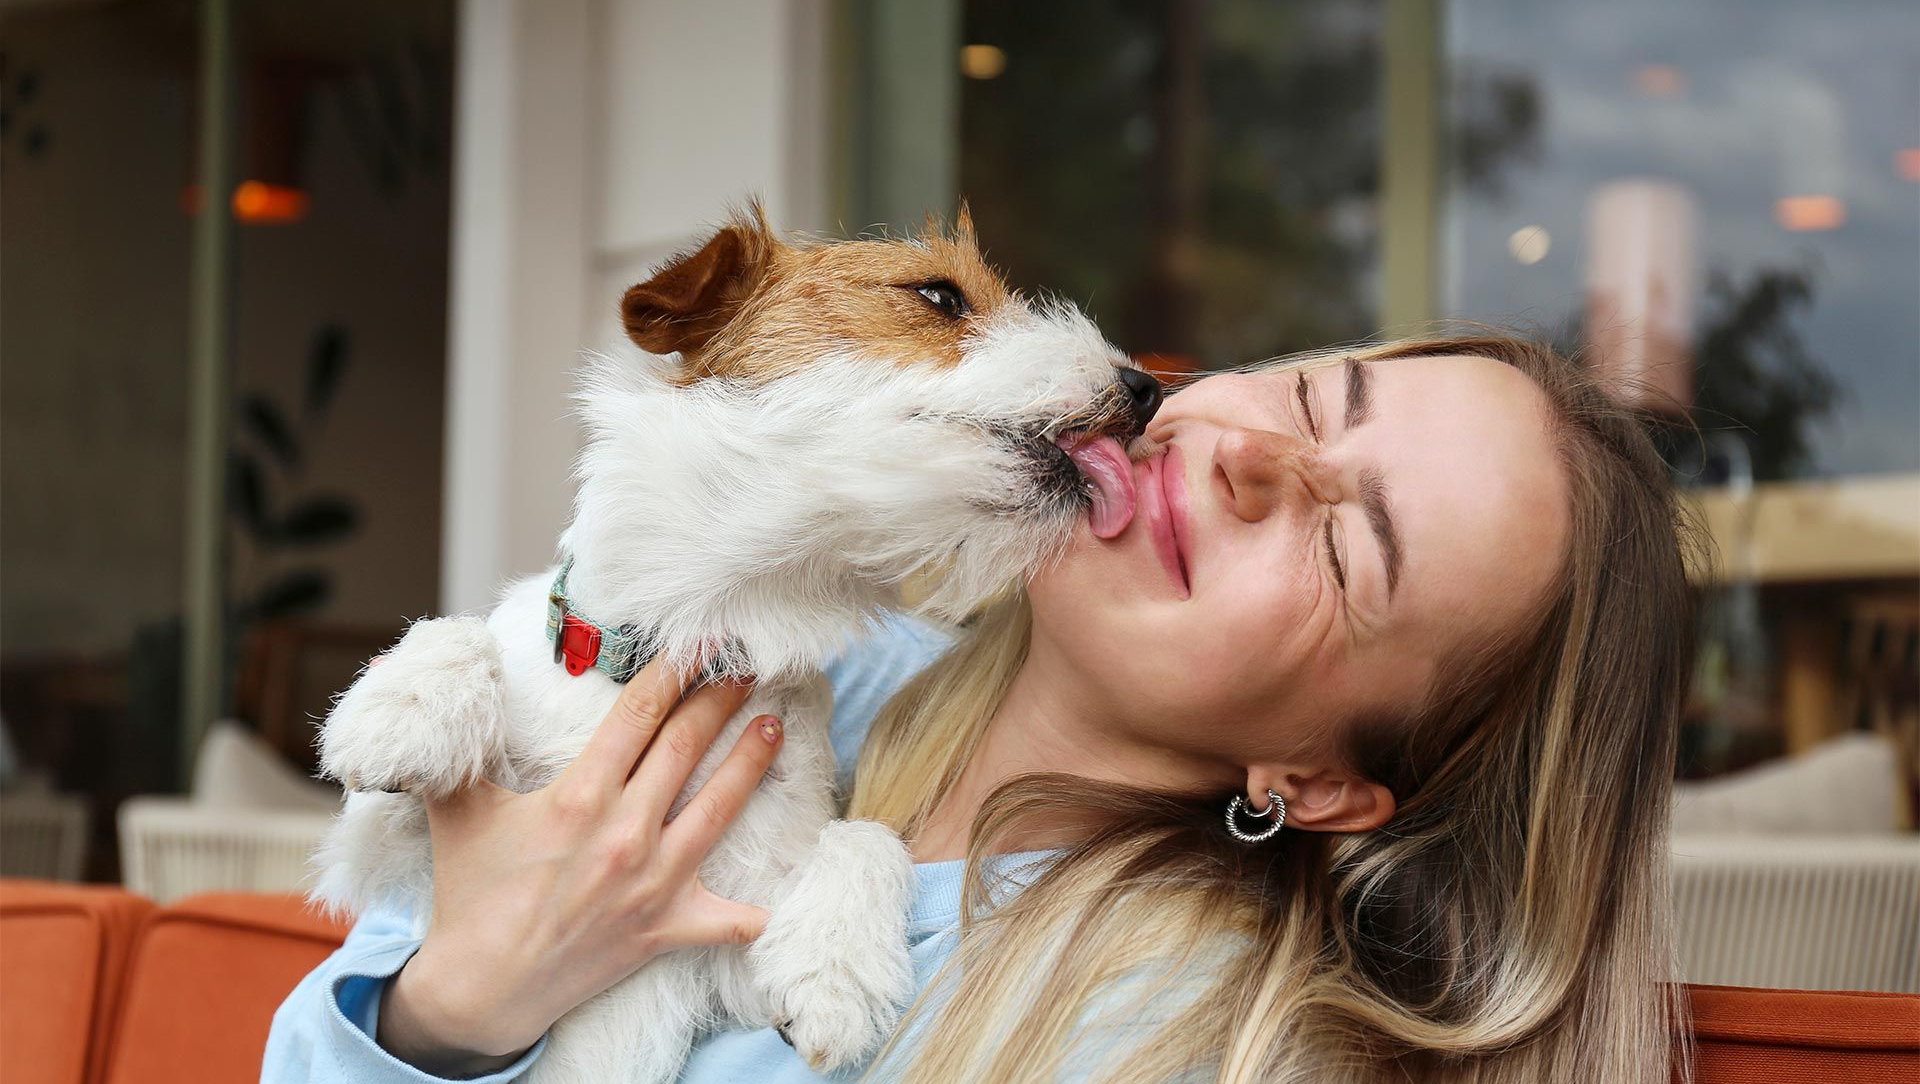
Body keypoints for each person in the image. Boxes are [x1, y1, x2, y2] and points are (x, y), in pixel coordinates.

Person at [265, 332, 1700, 1083]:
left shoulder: (1165, 1038)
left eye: (1347, 553)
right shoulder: (799, 665)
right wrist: (454, 1009)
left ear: (1318, 782)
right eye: (1317, 398)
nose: (1256, 458)